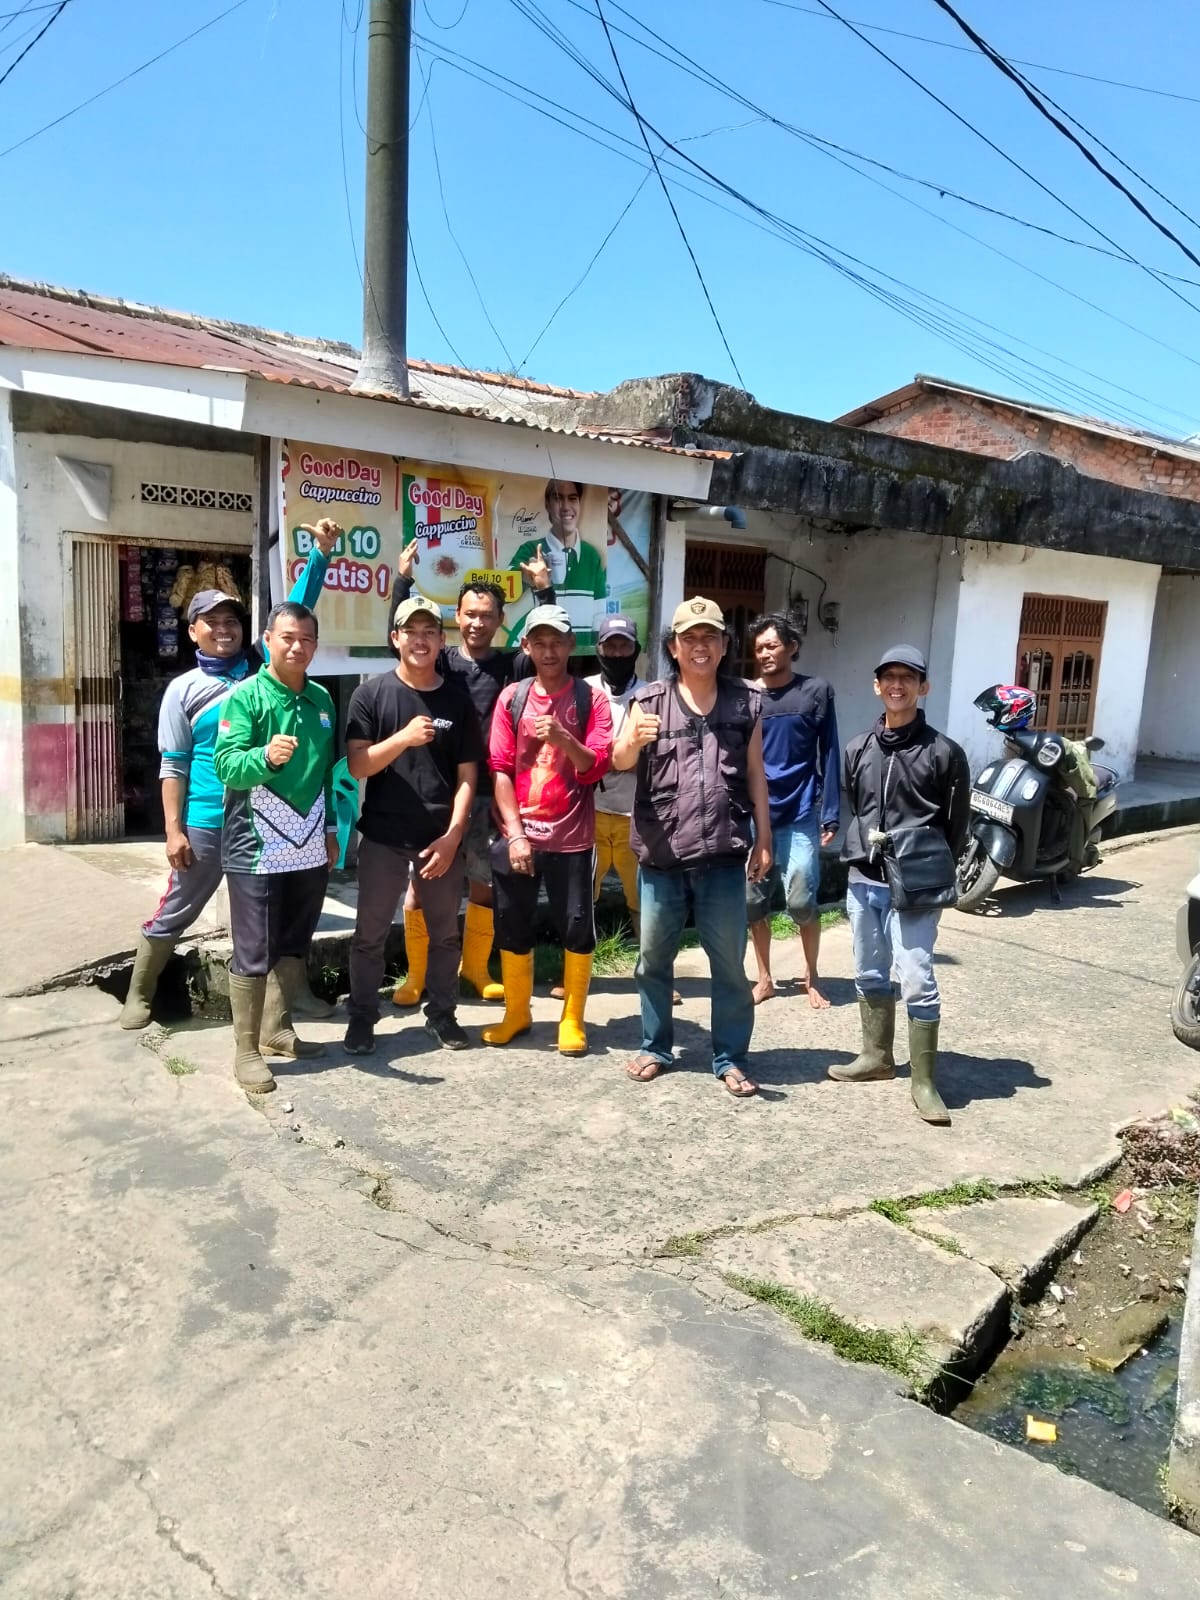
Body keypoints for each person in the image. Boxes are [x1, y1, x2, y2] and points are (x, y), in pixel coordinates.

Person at [118, 522, 338, 1031]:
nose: (224, 630)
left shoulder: (261, 669)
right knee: (181, 905)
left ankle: (292, 997)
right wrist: (173, 829)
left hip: (269, 822)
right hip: (209, 819)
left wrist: (321, 556)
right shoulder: (183, 690)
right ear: (192, 630)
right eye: (211, 622)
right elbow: (172, 765)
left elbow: (296, 611)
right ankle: (141, 990)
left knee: (279, 915)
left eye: (231, 622)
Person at [613, 598, 771, 1097]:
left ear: (724, 646)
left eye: (709, 637)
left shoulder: (746, 702)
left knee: (729, 966)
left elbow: (755, 773)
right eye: (689, 638)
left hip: (723, 856)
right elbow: (618, 761)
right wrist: (633, 741)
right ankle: (655, 1046)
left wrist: (765, 838)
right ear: (674, 648)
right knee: (652, 960)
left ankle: (730, 1057)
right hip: (662, 857)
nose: (699, 646)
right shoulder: (647, 701)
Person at [386, 545, 555, 1006]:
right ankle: (416, 976)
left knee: (484, 883)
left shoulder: (512, 667)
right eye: (470, 614)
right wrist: (403, 581)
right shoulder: (440, 662)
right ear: (456, 618)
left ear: (501, 620)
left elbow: (547, 645)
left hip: (491, 794)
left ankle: (476, 969)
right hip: (437, 794)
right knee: (420, 885)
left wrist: (544, 590)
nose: (478, 623)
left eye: (487, 616)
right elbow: (396, 639)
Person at [830, 644, 970, 1126]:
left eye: (907, 678)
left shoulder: (944, 752)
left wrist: (926, 866)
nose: (897, 685)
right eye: (888, 677)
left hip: (914, 886)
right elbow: (857, 804)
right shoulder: (857, 748)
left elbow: (956, 825)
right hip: (864, 878)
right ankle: (876, 1057)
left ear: (922, 686)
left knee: (916, 978)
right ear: (876, 686)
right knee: (868, 970)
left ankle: (924, 1081)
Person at [342, 596, 483, 1057]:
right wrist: (403, 738)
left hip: (439, 839)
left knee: (445, 934)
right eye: (411, 631)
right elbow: (358, 766)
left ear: (442, 640)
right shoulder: (371, 695)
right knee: (370, 934)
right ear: (395, 638)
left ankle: (442, 1013)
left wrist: (454, 835)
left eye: (429, 632)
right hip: (383, 836)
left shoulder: (458, 701)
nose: (420, 641)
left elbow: (468, 777)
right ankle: (363, 1016)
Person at [213, 602, 340, 1095]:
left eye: (306, 639)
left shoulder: (322, 699)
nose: (297, 647)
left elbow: (326, 773)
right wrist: (264, 757)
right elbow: (227, 766)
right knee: (254, 948)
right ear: (267, 641)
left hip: (308, 841)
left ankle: (277, 1029)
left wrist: (330, 828)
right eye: (287, 637)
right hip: (256, 844)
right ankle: (245, 1051)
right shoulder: (245, 697)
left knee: (294, 938)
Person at [484, 605, 613, 1055]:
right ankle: (517, 1012)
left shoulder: (591, 699)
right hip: (517, 836)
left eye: (557, 641)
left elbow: (596, 766)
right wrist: (516, 835)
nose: (549, 651)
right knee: (512, 924)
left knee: (576, 926)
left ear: (571, 644)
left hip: (572, 839)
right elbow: (500, 769)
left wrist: (563, 738)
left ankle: (572, 1019)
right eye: (539, 642)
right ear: (526, 647)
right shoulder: (512, 698)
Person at [745, 613, 840, 1008]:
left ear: (792, 647)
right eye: (758, 649)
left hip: (800, 812)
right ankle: (765, 978)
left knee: (801, 900)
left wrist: (831, 811)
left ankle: (811, 974)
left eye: (772, 645)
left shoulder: (815, 691)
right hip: (755, 815)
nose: (764, 654)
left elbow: (830, 750)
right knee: (753, 902)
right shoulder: (748, 697)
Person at [509, 480, 606, 650]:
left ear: (580, 503)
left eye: (572, 498)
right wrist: (527, 577)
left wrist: (595, 651)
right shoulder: (532, 549)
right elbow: (503, 592)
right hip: (543, 651)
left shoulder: (591, 555)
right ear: (547, 504)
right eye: (558, 498)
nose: (566, 507)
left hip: (582, 654)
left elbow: (599, 612)